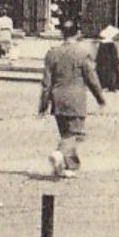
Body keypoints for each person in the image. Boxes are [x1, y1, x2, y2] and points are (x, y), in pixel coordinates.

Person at [38, 20, 106, 178]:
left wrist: (43, 105)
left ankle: (70, 167)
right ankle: (59, 154)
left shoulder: (52, 53)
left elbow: (46, 82)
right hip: (76, 99)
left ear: (62, 34)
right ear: (77, 34)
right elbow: (92, 79)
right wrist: (100, 98)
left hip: (57, 98)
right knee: (76, 134)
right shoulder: (82, 53)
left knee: (66, 134)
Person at [96, 24, 119, 92]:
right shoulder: (110, 44)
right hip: (109, 62)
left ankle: (105, 85)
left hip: (105, 62)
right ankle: (111, 85)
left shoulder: (103, 44)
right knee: (110, 73)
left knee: (105, 72)